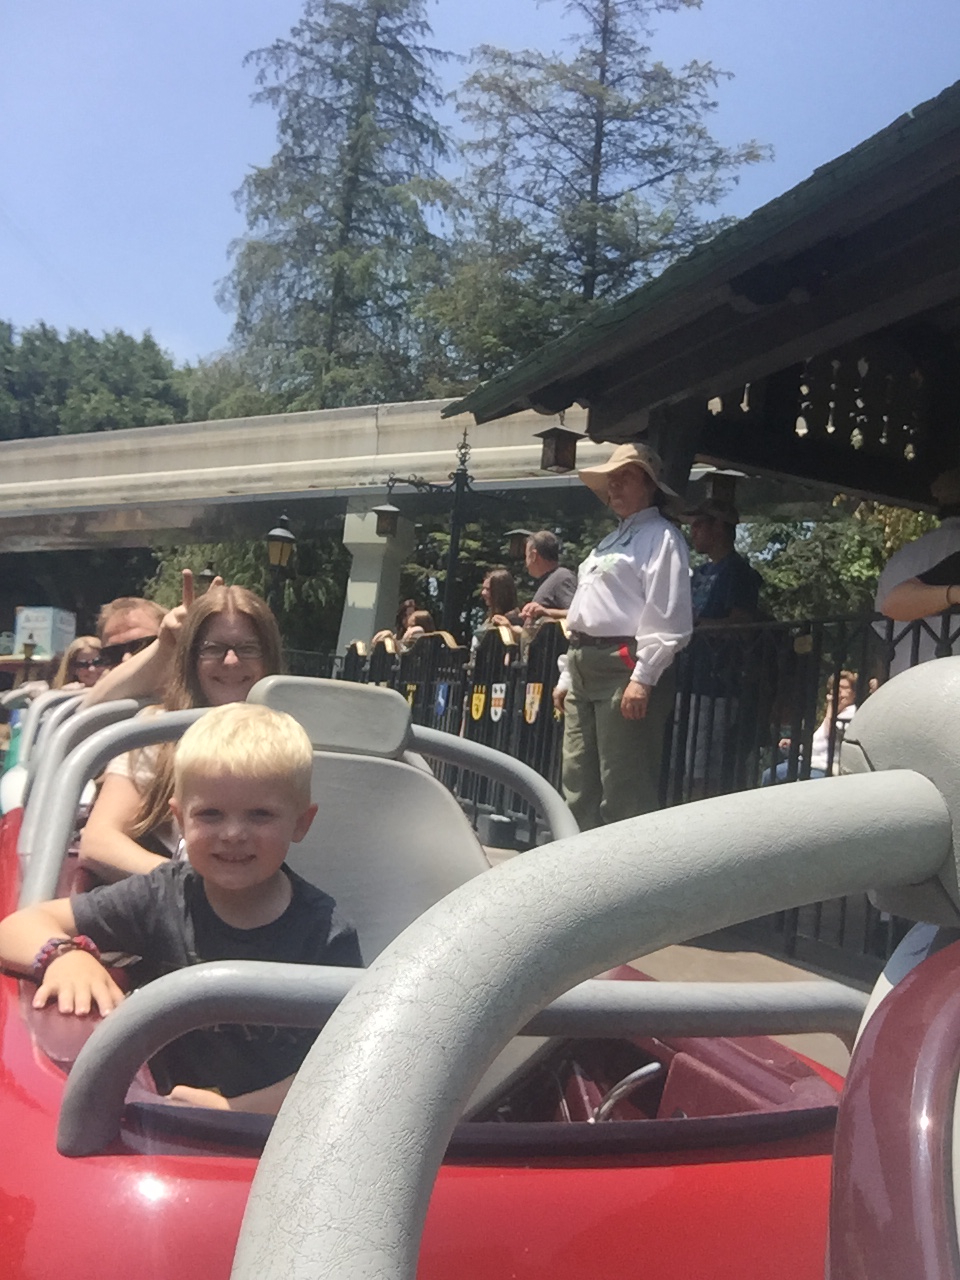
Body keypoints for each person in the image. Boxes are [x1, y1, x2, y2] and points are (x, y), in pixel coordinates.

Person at [0, 702, 363, 1114]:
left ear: (301, 823)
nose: (232, 834)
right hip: (160, 1133)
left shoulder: (326, 932)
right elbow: (16, 927)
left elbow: (345, 1065)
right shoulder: (162, 896)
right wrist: (64, 956)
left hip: (275, 1132)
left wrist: (235, 1110)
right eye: (210, 814)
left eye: (260, 815)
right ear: (181, 818)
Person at [78, 585, 281, 882]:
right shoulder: (156, 732)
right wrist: (191, 884)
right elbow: (98, 843)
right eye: (213, 648)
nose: (231, 661)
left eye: (248, 648)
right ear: (190, 657)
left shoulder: (293, 734)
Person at [553, 442, 693, 829]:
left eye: (624, 478)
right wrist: (568, 672)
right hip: (586, 662)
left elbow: (668, 615)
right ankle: (574, 872)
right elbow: (585, 612)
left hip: (624, 664)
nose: (613, 487)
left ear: (649, 485)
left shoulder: (662, 537)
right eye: (610, 481)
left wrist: (643, 677)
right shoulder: (608, 542)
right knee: (577, 780)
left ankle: (624, 883)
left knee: (624, 785)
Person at [680, 499, 763, 797]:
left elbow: (741, 621)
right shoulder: (698, 572)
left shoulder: (738, 572)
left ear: (719, 526)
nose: (693, 532)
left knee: (705, 766)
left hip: (717, 683)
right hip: (688, 678)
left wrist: (698, 624)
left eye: (700, 524)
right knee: (686, 761)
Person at [79, 575, 222, 709]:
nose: (126, 658)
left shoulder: (208, 695)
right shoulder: (99, 704)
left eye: (142, 646)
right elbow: (87, 712)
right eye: (113, 653)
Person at [875, 468, 960, 675]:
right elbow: (894, 604)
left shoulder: (903, 558)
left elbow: (881, 629)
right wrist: (954, 594)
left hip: (905, 679)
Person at [762, 670, 859, 784]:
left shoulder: (850, 713)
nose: (838, 691)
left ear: (853, 693)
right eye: (835, 687)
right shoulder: (836, 712)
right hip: (809, 762)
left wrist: (830, 708)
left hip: (824, 768)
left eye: (844, 688)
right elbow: (818, 746)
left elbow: (831, 735)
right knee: (769, 775)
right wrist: (796, 746)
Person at [518, 532, 578, 625]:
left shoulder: (562, 577)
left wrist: (546, 612)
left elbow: (577, 614)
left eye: (526, 556)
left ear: (533, 556)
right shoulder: (551, 579)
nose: (526, 564)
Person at [475, 569, 521, 643]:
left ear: (500, 592)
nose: (483, 593)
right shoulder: (490, 618)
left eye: (488, 589)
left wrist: (510, 629)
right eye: (483, 589)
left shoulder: (513, 619)